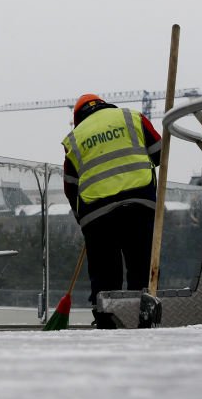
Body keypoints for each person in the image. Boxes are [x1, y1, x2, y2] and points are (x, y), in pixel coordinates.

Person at [62, 94, 162, 329]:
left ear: (77, 117)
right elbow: (160, 151)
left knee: (105, 274)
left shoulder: (74, 138)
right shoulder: (131, 117)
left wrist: (83, 221)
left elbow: (70, 187)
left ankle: (106, 322)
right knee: (141, 266)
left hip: (96, 215)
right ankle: (144, 320)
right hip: (139, 204)